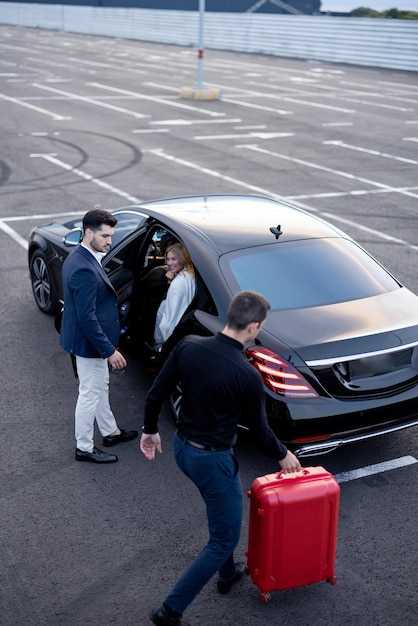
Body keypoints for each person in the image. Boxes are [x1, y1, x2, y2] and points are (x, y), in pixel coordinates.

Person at [139, 291, 301, 626]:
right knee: (224, 538)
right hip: (212, 461)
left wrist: (150, 431)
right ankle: (170, 611)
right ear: (253, 327)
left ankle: (227, 574)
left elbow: (156, 393)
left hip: (183, 449)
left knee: (222, 510)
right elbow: (260, 430)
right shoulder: (246, 374)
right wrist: (283, 454)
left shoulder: (188, 346)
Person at [60, 209, 138, 464]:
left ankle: (110, 432)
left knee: (99, 387)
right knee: (89, 394)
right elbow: (87, 318)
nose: (109, 241)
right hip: (90, 344)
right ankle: (83, 447)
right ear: (88, 232)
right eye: (105, 236)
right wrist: (109, 350)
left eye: (111, 236)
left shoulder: (81, 256)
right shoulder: (83, 268)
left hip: (89, 342)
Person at [154, 243, 196, 347]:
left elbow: (169, 317)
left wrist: (159, 340)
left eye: (174, 259)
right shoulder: (190, 275)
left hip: (168, 338)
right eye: (168, 259)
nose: (169, 263)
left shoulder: (178, 283)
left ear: (182, 259)